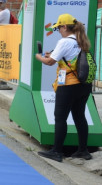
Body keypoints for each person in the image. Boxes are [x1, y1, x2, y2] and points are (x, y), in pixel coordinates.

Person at [35, 14, 93, 162]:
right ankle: (83, 150)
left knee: (60, 118)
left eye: (59, 28)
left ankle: (57, 151)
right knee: (79, 116)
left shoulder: (64, 41)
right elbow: (66, 57)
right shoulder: (81, 40)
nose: (58, 31)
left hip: (68, 85)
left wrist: (39, 57)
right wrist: (52, 54)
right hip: (84, 85)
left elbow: (49, 62)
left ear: (65, 27)